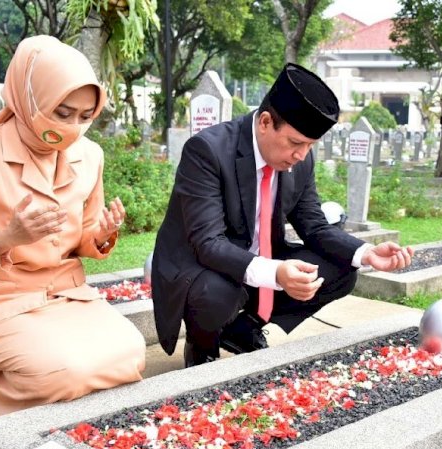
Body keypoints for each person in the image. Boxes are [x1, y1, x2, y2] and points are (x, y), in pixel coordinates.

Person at [0, 35, 145, 420]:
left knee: (131, 353)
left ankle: (32, 371)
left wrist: (101, 234)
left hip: (64, 294)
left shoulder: (89, 155)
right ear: (30, 97)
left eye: (85, 116)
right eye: (62, 113)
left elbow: (81, 236)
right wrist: (8, 238)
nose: (74, 128)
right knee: (63, 372)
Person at [151, 62, 414, 367]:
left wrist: (367, 253)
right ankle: (202, 344)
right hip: (201, 267)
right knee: (218, 292)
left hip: (258, 260)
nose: (301, 155)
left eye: (310, 145)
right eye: (295, 143)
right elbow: (208, 242)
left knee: (342, 270)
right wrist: (276, 273)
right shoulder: (207, 151)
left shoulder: (301, 159)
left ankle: (243, 329)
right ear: (265, 122)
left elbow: (314, 226)